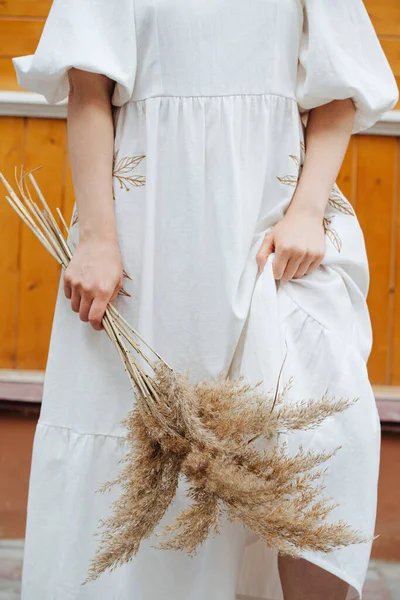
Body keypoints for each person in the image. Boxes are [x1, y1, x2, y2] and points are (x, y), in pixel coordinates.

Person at [12, 0, 399, 599]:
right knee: (142, 451)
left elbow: (339, 90)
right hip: (148, 239)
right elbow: (88, 91)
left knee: (327, 434)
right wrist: (96, 239)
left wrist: (308, 211)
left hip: (277, 235)